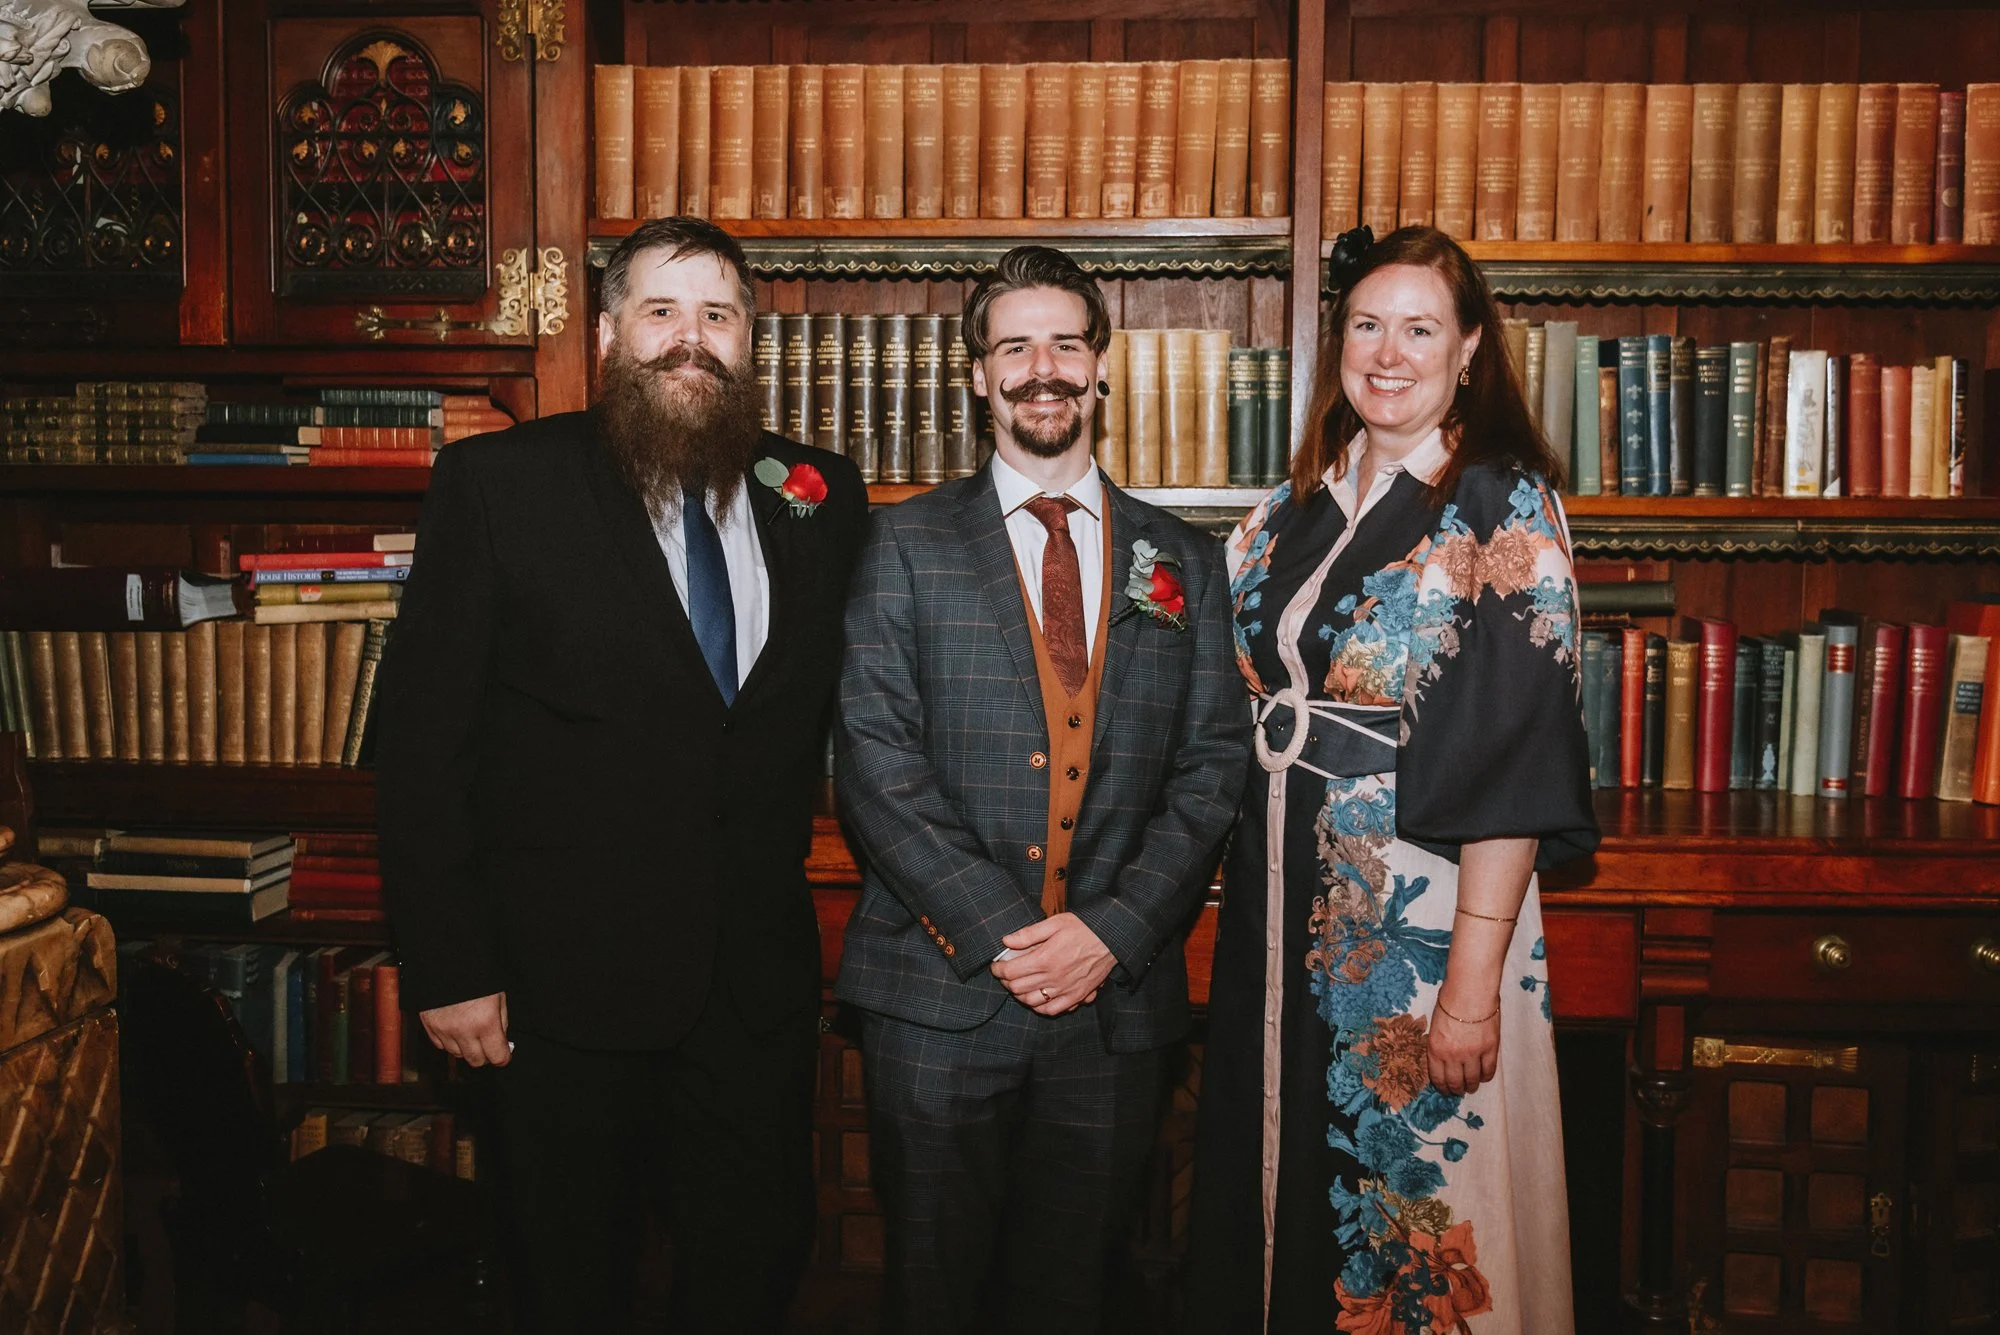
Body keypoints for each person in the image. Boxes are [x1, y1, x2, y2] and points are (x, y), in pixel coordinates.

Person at [375, 216, 867, 1333]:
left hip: (749, 993)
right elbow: (421, 747)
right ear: (608, 333)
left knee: (749, 1267)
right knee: (567, 1281)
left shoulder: (819, 495)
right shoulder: (499, 484)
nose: (689, 341)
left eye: (717, 316)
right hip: (556, 996)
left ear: (750, 341)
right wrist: (449, 964)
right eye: (661, 311)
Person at [1185, 225, 1599, 1334]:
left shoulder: (1498, 511)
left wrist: (1466, 988)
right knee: (1270, 1165)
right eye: (1365, 325)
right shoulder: (1290, 508)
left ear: (1467, 349)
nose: (1387, 351)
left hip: (1416, 924)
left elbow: (1514, 761)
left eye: (1418, 328)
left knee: (1407, 1191)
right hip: (1276, 904)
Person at [835, 245, 1248, 1333]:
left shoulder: (1184, 560)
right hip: (938, 997)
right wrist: (1013, 937)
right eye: (1012, 346)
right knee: (934, 1297)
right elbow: (873, 763)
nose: (1042, 367)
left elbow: (1212, 768)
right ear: (976, 376)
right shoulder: (899, 546)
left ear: (1100, 366)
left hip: (1111, 1006)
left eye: (1066, 342)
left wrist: (1108, 933)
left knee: (1077, 1298)